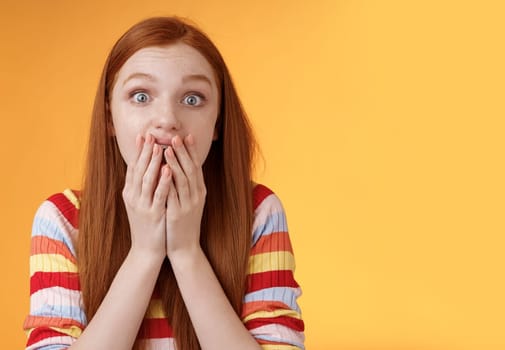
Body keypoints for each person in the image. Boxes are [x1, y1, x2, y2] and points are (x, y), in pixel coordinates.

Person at [23, 16, 304, 350]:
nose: (168, 120)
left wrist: (186, 252)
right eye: (141, 96)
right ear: (109, 117)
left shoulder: (259, 213)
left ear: (217, 123)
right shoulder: (61, 219)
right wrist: (145, 252)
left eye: (192, 99)